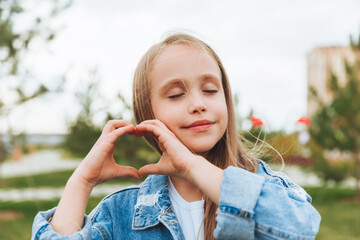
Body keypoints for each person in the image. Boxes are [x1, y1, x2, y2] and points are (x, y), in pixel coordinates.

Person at [32, 33, 321, 240]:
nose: (198, 103)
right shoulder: (119, 213)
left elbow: (300, 229)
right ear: (147, 115)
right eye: (176, 94)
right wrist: (81, 181)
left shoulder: (269, 188)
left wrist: (193, 166)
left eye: (210, 90)